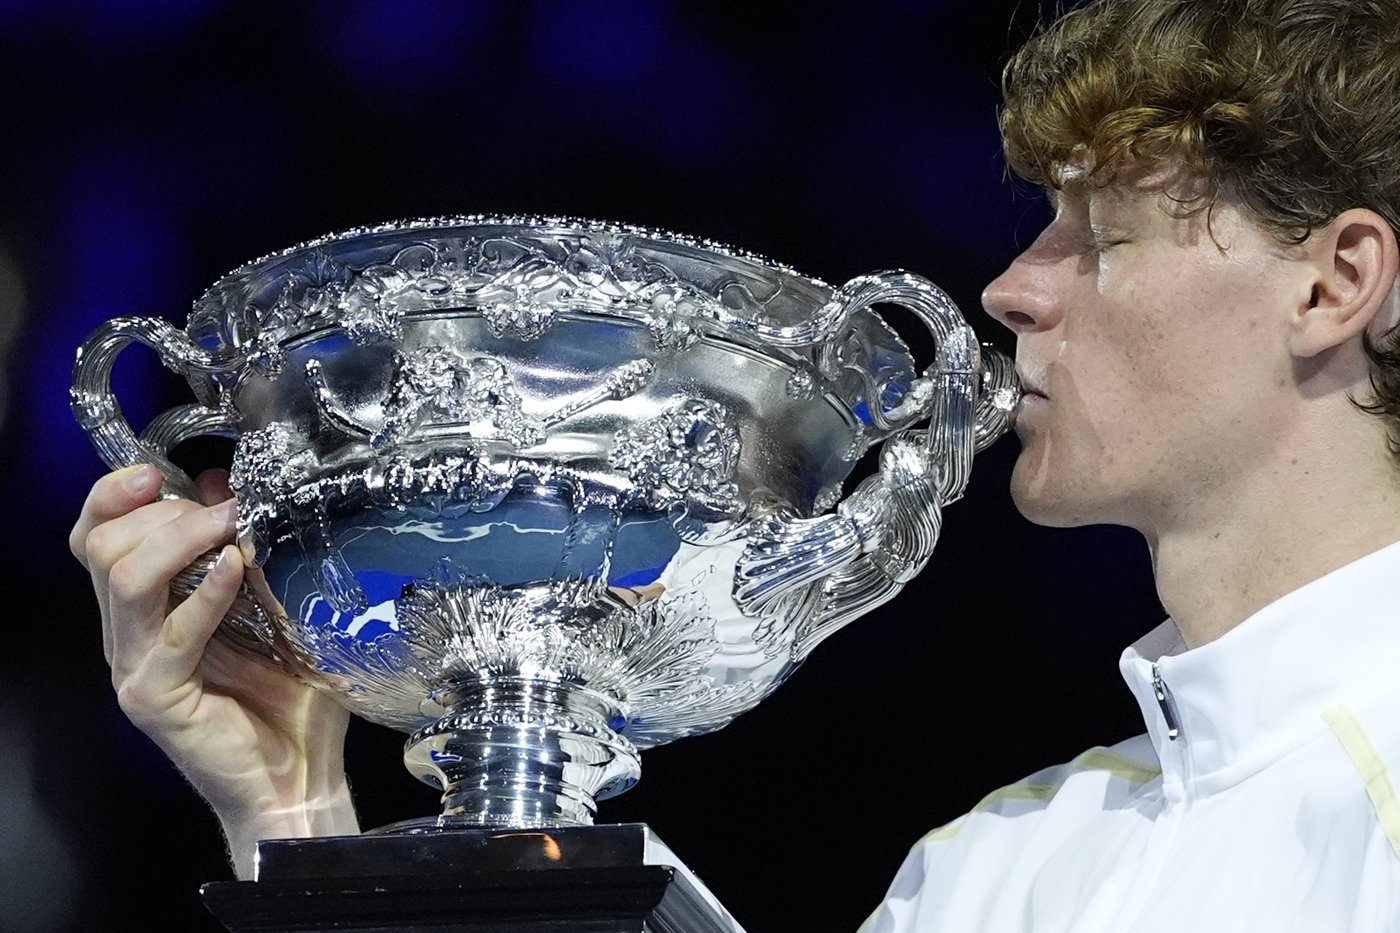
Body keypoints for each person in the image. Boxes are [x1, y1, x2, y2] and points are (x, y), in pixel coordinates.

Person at [69, 0, 1400, 928]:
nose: (1010, 289)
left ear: (1334, 284)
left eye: (1098, 237)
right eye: (1038, 227)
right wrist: (297, 821)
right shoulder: (992, 871)